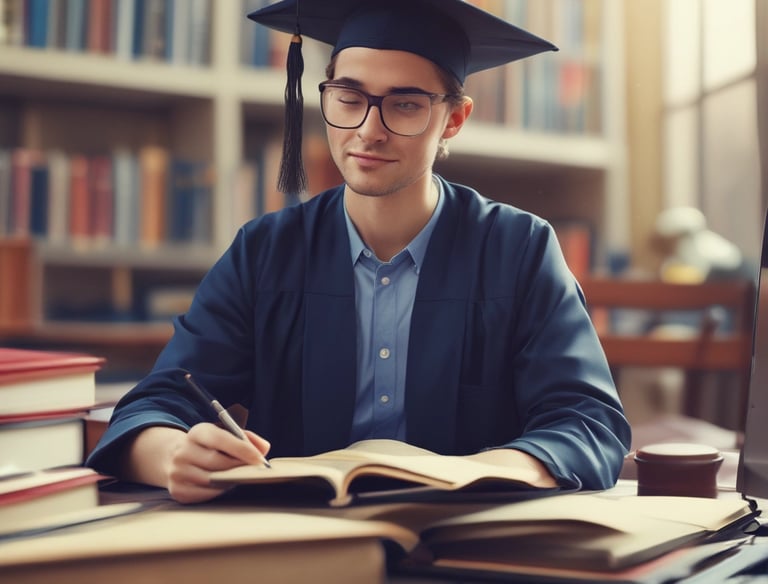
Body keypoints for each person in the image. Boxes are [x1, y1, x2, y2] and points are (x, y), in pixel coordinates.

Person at [87, 0, 631, 504]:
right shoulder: (266, 252)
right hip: (298, 538)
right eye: (349, 98)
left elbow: (588, 421)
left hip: (465, 538)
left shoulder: (519, 249)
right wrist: (174, 455)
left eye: (405, 105)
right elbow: (155, 405)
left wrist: (484, 473)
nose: (369, 131)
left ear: (454, 119)